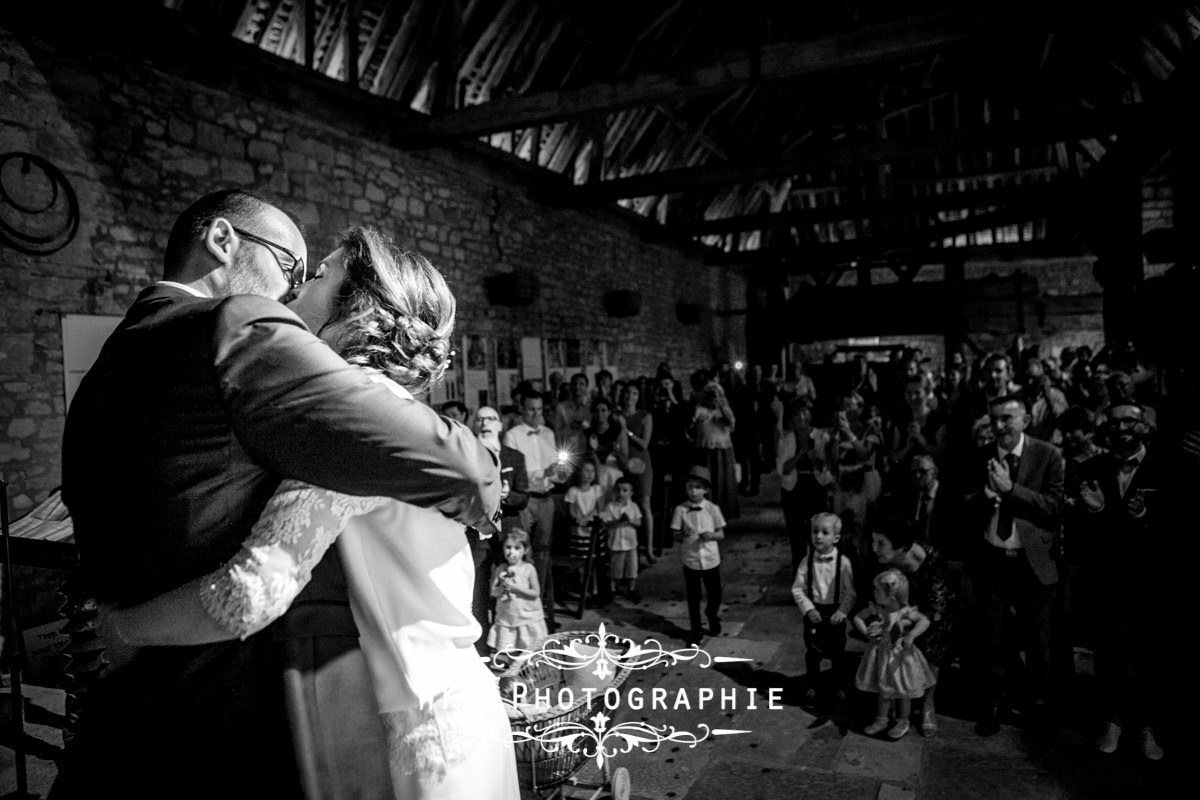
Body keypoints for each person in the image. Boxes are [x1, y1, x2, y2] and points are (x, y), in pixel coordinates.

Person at [69, 216, 504, 799]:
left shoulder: (347, 435)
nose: (297, 290)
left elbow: (249, 593)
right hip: (424, 704)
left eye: (319, 274)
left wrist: (122, 628)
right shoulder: (358, 418)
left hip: (424, 732)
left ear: (360, 309)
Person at [963, 394, 1064, 737]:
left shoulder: (1048, 455)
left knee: (1038, 640)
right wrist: (985, 498)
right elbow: (963, 507)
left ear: (1025, 421)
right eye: (994, 420)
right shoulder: (980, 456)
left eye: (1007, 418)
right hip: (992, 560)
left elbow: (1054, 507)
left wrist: (1010, 490)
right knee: (993, 636)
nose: (999, 426)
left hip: (1031, 562)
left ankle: (1037, 705)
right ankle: (995, 701)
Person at [1075, 403, 1165, 760]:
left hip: (1153, 579)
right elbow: (1083, 535)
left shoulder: (1167, 467)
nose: (1123, 428)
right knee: (1109, 653)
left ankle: (1148, 726)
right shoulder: (1091, 469)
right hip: (1108, 580)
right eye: (1115, 422)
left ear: (1144, 425)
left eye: (1130, 420)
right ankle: (1111, 721)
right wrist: (1097, 511)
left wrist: (1145, 516)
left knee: (1152, 655)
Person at [868, 519, 962, 737]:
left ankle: (928, 703)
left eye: (881, 543)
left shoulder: (930, 560)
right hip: (899, 613)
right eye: (874, 542)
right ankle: (891, 698)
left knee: (934, 640)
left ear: (901, 548)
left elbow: (936, 609)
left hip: (932, 616)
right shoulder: (884, 560)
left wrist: (901, 622)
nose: (874, 548)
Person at [503, 393, 570, 633]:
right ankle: (521, 615)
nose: (536, 414)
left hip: (546, 499)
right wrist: (543, 472)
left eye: (539, 409)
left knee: (543, 554)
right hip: (526, 501)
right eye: (531, 409)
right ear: (522, 409)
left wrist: (560, 472)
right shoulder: (513, 436)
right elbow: (515, 476)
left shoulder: (548, 434)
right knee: (522, 553)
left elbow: (556, 473)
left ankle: (540, 613)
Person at [470, 406, 529, 652]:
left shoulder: (514, 457)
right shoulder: (467, 455)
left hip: (508, 535)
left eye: (490, 419)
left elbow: (523, 498)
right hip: (477, 533)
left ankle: (513, 650)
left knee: (511, 592)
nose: (485, 423)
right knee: (478, 594)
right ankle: (482, 649)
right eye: (480, 419)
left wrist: (507, 495)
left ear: (500, 425)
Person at [853, 569, 936, 740]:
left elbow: (924, 620)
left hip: (900, 658)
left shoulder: (905, 611)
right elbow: (857, 618)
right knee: (883, 688)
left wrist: (912, 635)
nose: (874, 592)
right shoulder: (876, 609)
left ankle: (903, 720)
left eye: (877, 590)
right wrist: (867, 633)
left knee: (903, 690)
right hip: (881, 654)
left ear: (891, 596)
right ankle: (882, 718)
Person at [791, 512, 856, 706]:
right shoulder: (806, 561)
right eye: (815, 531)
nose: (818, 536)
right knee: (813, 652)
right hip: (814, 611)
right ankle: (813, 686)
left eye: (824, 532)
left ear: (836, 538)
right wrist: (808, 609)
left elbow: (850, 592)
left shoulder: (843, 563)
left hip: (835, 611)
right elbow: (797, 589)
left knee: (838, 653)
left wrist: (842, 612)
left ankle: (840, 687)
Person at [777, 398, 834, 575]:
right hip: (793, 489)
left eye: (804, 412)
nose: (801, 417)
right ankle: (799, 580)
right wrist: (799, 454)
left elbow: (826, 468)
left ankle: (818, 579)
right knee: (797, 538)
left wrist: (816, 458)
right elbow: (782, 470)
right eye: (796, 414)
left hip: (815, 488)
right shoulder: (786, 439)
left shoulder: (821, 437)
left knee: (817, 536)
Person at [670, 465, 727, 644]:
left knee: (715, 593)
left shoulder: (712, 509)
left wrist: (712, 535)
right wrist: (682, 534)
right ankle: (695, 630)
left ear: (706, 490)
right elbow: (674, 534)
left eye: (697, 487)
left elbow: (721, 533)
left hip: (710, 558)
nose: (693, 491)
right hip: (691, 559)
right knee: (693, 597)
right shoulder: (680, 510)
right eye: (690, 487)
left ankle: (712, 613)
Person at [488, 529, 548, 655]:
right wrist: (503, 587)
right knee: (510, 649)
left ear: (525, 550)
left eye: (517, 548)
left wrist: (516, 588)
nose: (511, 552)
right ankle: (512, 669)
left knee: (528, 649)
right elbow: (493, 592)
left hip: (526, 616)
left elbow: (536, 592)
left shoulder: (528, 569)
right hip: (508, 616)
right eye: (508, 547)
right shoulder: (501, 569)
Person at [691, 374, 740, 519]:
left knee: (722, 482)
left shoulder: (724, 408)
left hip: (722, 449)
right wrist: (701, 401)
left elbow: (731, 422)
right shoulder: (701, 408)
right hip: (705, 449)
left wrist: (721, 405)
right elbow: (693, 419)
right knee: (707, 481)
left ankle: (723, 513)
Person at [619, 383, 657, 563]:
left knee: (644, 504)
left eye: (634, 393)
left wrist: (627, 431)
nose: (630, 396)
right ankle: (629, 549)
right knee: (624, 504)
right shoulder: (618, 415)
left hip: (641, 462)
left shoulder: (645, 416)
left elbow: (644, 443)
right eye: (627, 392)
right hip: (623, 461)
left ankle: (648, 548)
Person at [601, 477, 643, 601]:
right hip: (616, 542)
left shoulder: (633, 506)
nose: (621, 493)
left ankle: (632, 589)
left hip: (631, 542)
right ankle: (613, 589)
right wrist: (619, 521)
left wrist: (630, 520)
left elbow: (639, 522)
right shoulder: (610, 507)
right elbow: (607, 524)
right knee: (616, 568)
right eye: (618, 490)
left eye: (625, 491)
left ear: (631, 493)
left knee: (632, 568)